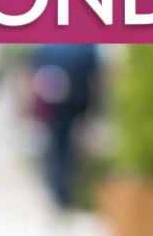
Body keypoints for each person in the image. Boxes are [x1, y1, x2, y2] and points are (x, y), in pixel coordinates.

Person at [25, 42, 100, 213]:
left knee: (56, 147)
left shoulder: (48, 45)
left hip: (54, 105)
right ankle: (63, 192)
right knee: (68, 150)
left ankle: (58, 191)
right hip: (76, 103)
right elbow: (96, 78)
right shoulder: (88, 47)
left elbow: (31, 73)